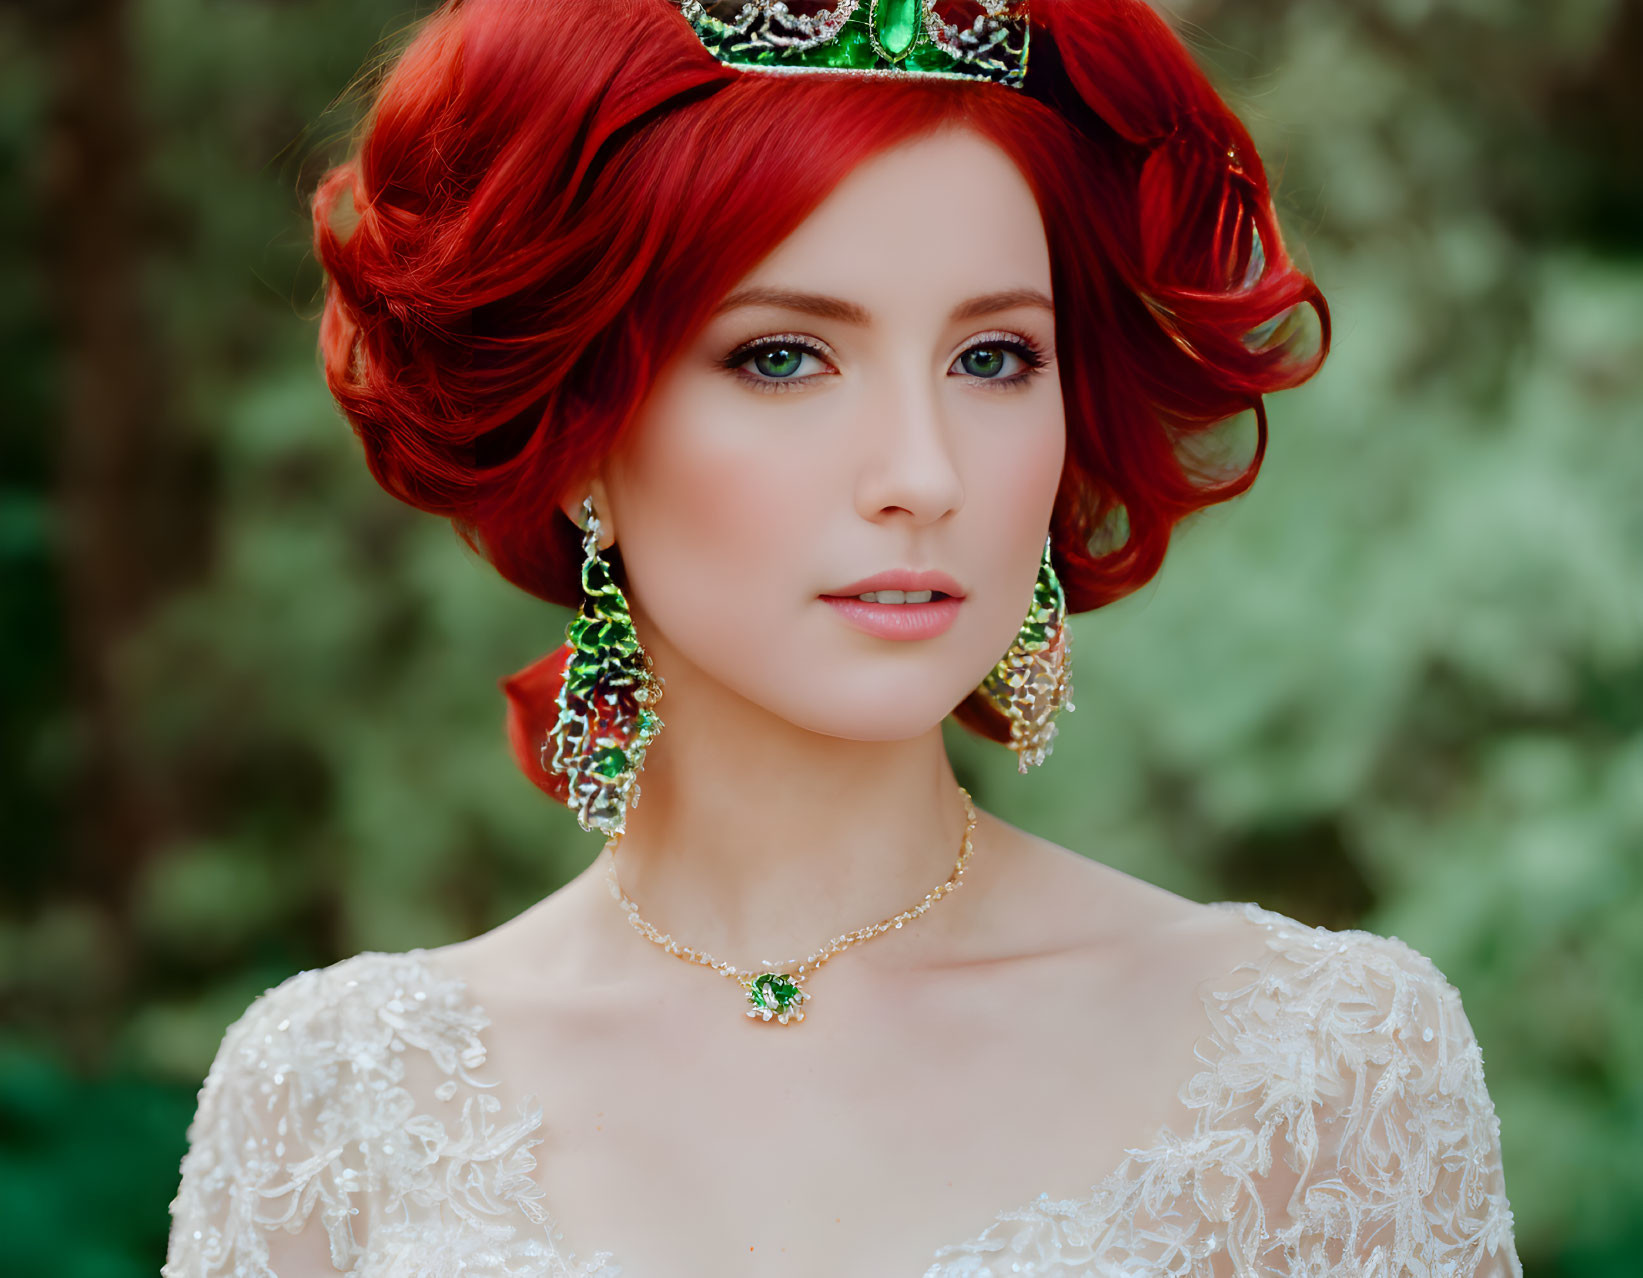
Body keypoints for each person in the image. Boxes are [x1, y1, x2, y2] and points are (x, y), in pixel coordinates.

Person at [163, 1, 1523, 1274]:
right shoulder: (328, 1108)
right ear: (580, 431)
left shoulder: (1328, 1068)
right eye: (783, 357)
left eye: (994, 358)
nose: (923, 473)